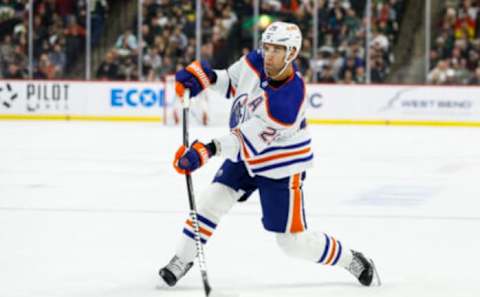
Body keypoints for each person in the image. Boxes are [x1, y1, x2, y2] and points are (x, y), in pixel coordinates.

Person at [158, 21, 380, 288]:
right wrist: (206, 78)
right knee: (210, 201)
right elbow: (231, 82)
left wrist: (205, 151)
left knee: (292, 243)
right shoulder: (255, 61)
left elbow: (243, 141)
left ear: (292, 53)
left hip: (280, 166)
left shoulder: (286, 102)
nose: (270, 55)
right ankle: (182, 259)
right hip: (245, 156)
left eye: (278, 49)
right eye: (268, 47)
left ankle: (350, 259)